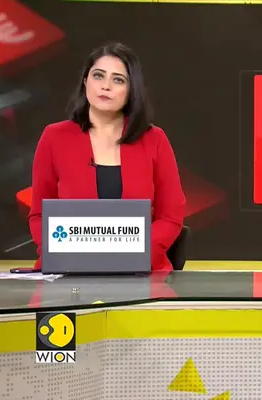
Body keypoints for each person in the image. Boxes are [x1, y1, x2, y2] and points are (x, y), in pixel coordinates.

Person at [28, 42, 185, 272]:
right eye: (98, 76)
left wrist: (133, 256)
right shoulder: (54, 137)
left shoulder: (154, 139)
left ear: (131, 90)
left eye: (118, 80)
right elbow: (39, 215)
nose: (106, 86)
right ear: (85, 82)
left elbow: (171, 216)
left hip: (140, 272)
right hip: (67, 272)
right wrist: (64, 255)